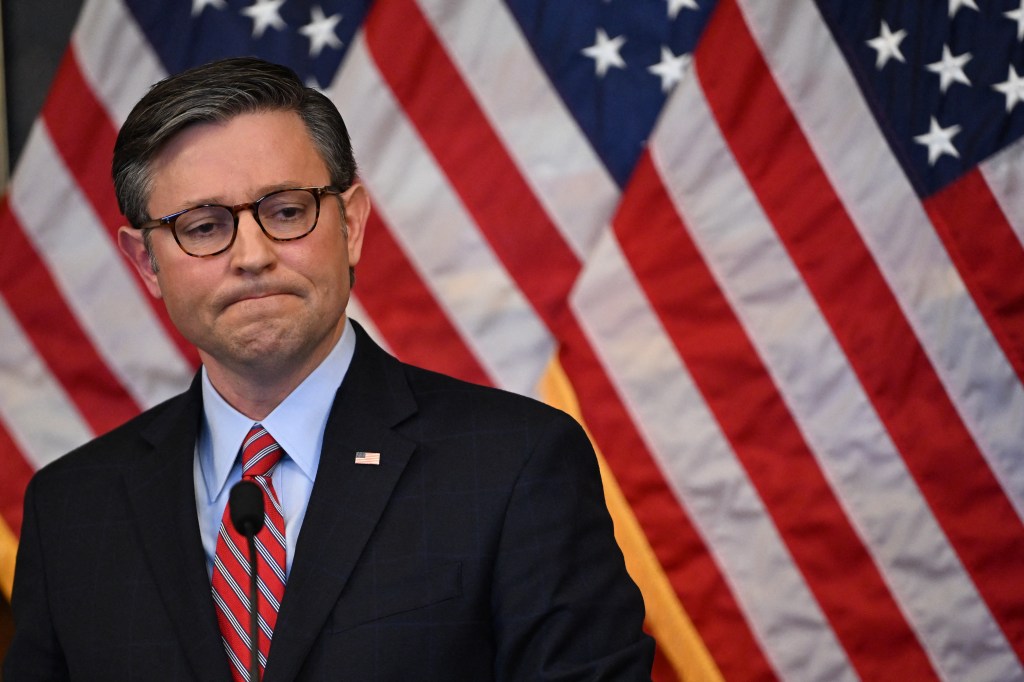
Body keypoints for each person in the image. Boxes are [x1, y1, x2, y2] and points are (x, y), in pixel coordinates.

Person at [2, 57, 653, 681]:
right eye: (203, 227)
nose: (252, 255)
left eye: (286, 212)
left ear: (351, 225)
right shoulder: (72, 510)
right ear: (147, 264)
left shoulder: (513, 465)